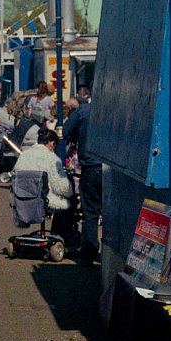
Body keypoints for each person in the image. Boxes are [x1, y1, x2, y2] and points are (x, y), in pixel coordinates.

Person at [63, 88, 101, 265]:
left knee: (90, 212)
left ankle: (88, 252)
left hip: (91, 166)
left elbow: (66, 132)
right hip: (113, 169)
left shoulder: (83, 111)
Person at [12, 127, 72, 213]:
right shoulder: (53, 159)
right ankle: (58, 227)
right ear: (52, 144)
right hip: (42, 200)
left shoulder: (23, 155)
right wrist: (70, 188)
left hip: (22, 199)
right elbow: (61, 188)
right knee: (67, 202)